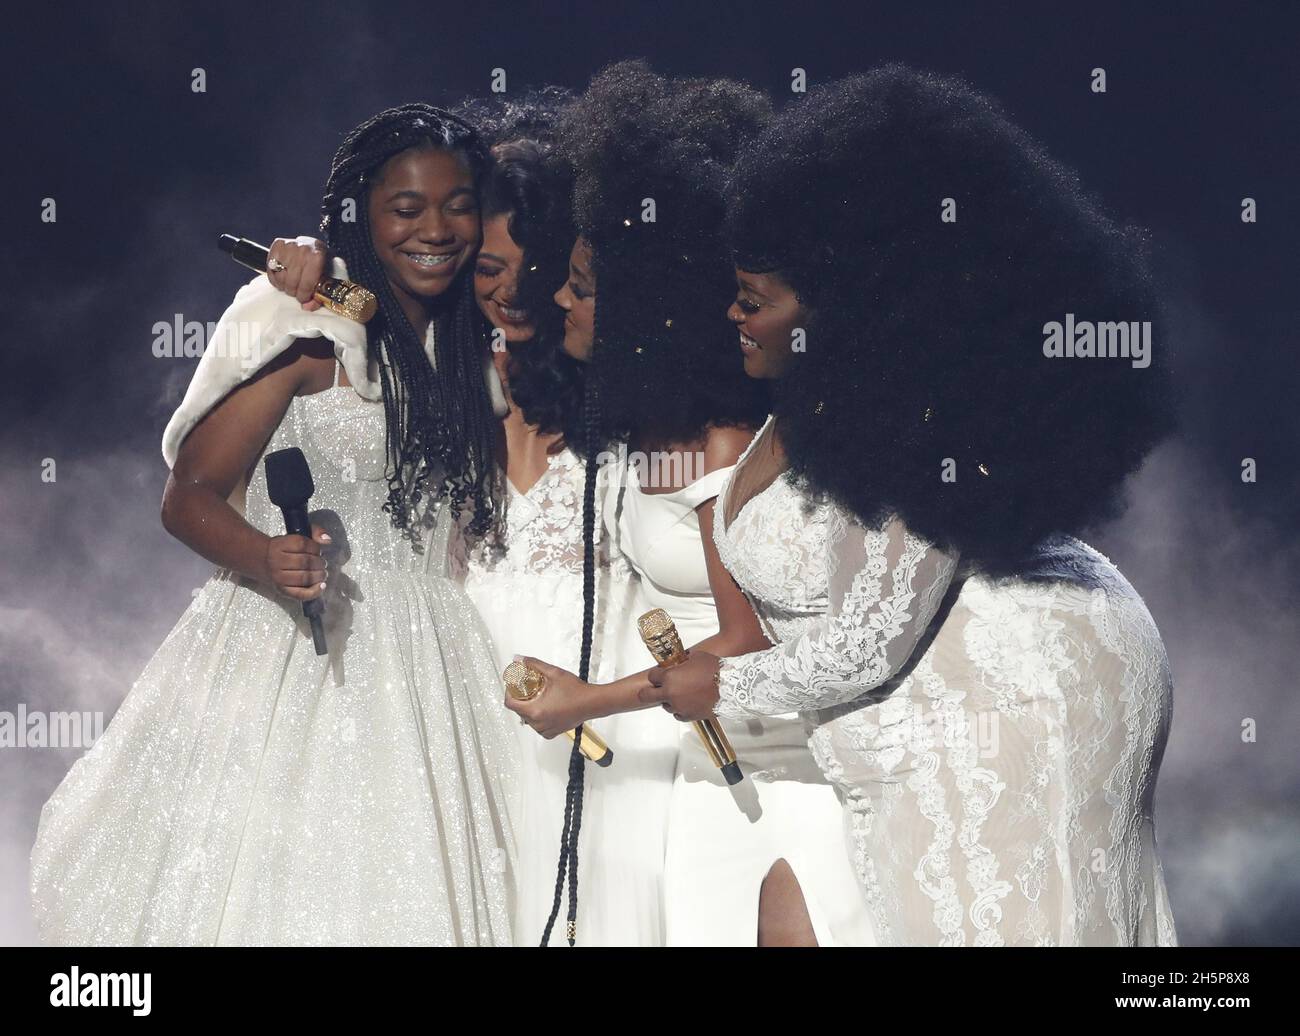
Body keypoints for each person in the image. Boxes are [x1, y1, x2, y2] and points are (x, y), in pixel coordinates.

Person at [646, 67, 1179, 946]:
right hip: (922, 701)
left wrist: (723, 683)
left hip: (1024, 687)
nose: (734, 313)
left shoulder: (925, 416)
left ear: (847, 310)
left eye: (756, 298)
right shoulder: (819, 402)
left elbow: (872, 636)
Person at [29, 104, 519, 946]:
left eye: (458, 203)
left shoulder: (481, 351)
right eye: (406, 209)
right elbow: (188, 496)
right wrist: (265, 555)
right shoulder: (297, 328)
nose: (436, 229)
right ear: (360, 216)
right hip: (284, 651)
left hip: (443, 666)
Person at [510, 61, 875, 946]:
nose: (561, 296)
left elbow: (746, 638)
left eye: (586, 287)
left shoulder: (725, 443)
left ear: (648, 304)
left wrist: (587, 701)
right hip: (693, 766)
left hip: (778, 770)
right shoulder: (642, 427)